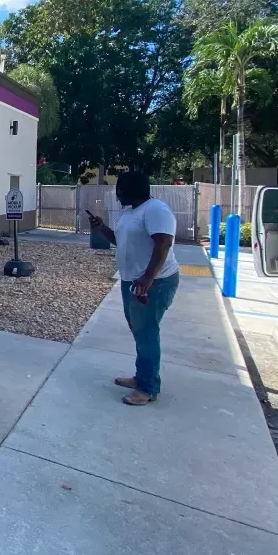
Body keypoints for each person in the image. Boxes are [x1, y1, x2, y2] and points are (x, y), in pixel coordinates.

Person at [87, 172, 179, 406]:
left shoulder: (155, 210)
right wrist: (102, 229)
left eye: (119, 189)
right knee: (140, 330)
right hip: (133, 281)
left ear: (129, 190)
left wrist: (148, 279)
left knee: (147, 332)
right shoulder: (130, 213)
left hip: (153, 283)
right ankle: (141, 377)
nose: (117, 193)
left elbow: (164, 243)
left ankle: (148, 388)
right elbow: (120, 240)